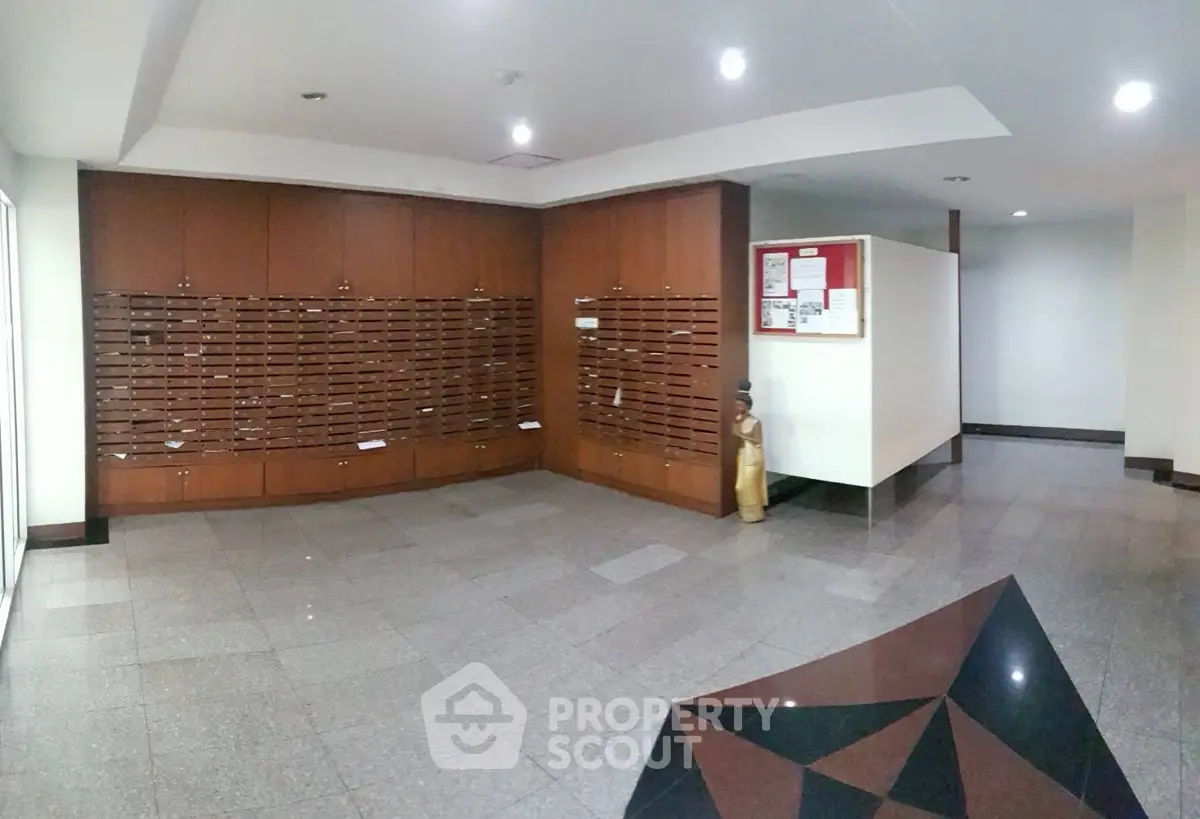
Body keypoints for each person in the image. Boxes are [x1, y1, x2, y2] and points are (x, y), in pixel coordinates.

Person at [732, 379, 766, 523]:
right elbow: (735, 432)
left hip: (753, 456)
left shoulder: (755, 422)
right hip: (743, 454)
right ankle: (744, 512)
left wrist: (743, 435)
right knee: (740, 486)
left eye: (740, 405)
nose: (738, 407)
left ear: (747, 406)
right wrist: (738, 423)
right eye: (736, 405)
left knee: (750, 485)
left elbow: (758, 440)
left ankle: (754, 515)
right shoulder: (738, 419)